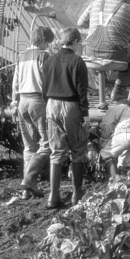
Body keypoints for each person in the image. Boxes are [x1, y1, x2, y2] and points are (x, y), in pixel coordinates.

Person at [41, 27, 90, 208]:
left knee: (56, 152)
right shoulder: (78, 61)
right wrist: (85, 114)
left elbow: (44, 87)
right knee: (78, 150)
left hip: (51, 105)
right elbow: (81, 90)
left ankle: (53, 197)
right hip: (71, 106)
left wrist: (48, 104)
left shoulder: (49, 60)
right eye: (80, 43)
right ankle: (77, 195)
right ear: (75, 42)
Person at [11, 26, 55, 200]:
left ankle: (27, 190)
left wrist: (14, 102)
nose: (48, 46)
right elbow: (49, 82)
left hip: (22, 101)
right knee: (47, 144)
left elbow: (15, 83)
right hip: (38, 102)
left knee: (29, 146)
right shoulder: (45, 56)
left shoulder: (21, 56)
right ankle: (29, 179)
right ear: (43, 40)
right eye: (48, 43)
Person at [97, 102, 130, 180]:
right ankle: (129, 182)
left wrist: (103, 141)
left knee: (107, 153)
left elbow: (107, 125)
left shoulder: (116, 108)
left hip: (124, 134)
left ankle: (115, 179)